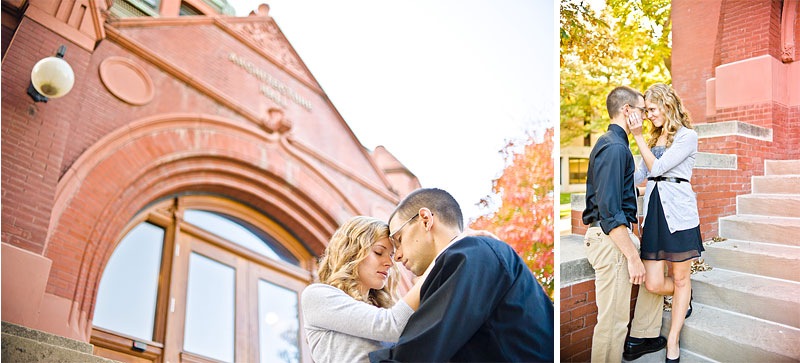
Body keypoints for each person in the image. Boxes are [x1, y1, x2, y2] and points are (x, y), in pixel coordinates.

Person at [368, 188, 554, 362]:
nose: (397, 256)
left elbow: (414, 356)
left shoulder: (471, 255)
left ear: (425, 219)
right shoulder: (478, 256)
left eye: (399, 240)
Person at [582, 86, 666, 363]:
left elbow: (618, 192)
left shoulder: (614, 144)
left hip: (616, 238)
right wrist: (631, 256)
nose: (645, 116)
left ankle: (644, 335)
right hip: (612, 241)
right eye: (642, 110)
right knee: (613, 324)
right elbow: (609, 211)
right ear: (627, 111)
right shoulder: (615, 147)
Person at [627, 83, 704, 363]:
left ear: (667, 104)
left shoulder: (687, 136)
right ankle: (685, 294)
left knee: (682, 277)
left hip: (680, 214)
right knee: (653, 283)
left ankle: (673, 342)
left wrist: (638, 139)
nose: (648, 115)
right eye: (645, 111)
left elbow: (658, 169)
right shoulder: (653, 140)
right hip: (655, 214)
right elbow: (639, 176)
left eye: (651, 109)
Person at [301, 216, 425, 363]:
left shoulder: (383, 309)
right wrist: (436, 266)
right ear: (351, 252)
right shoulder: (318, 296)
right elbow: (390, 325)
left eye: (391, 255)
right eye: (379, 252)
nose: (389, 263)